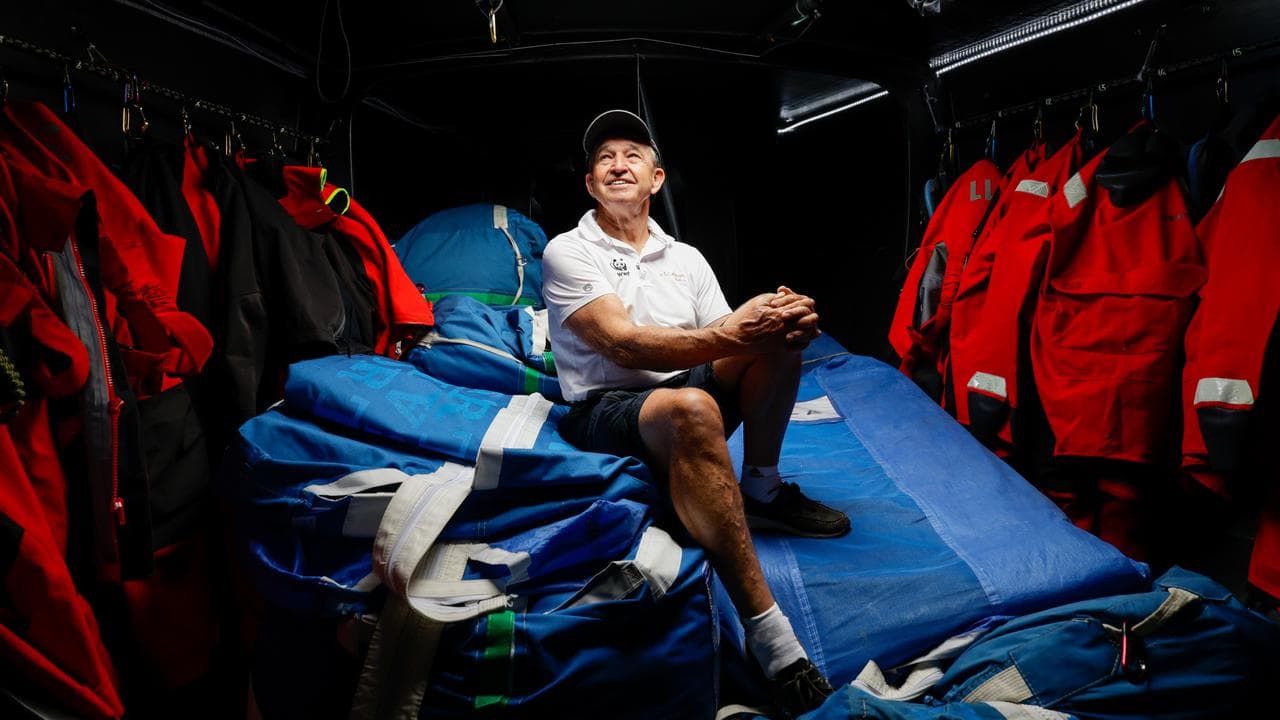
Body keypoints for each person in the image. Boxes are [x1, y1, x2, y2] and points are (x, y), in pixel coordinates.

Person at [542, 109, 849, 717]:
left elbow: (726, 334)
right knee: (693, 407)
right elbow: (625, 344)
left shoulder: (686, 257)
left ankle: (760, 486)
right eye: (605, 157)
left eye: (633, 154)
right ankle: (771, 636)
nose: (618, 163)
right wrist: (741, 329)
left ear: (657, 180)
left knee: (780, 337)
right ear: (589, 185)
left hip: (684, 383)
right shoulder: (568, 250)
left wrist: (777, 319)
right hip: (607, 405)